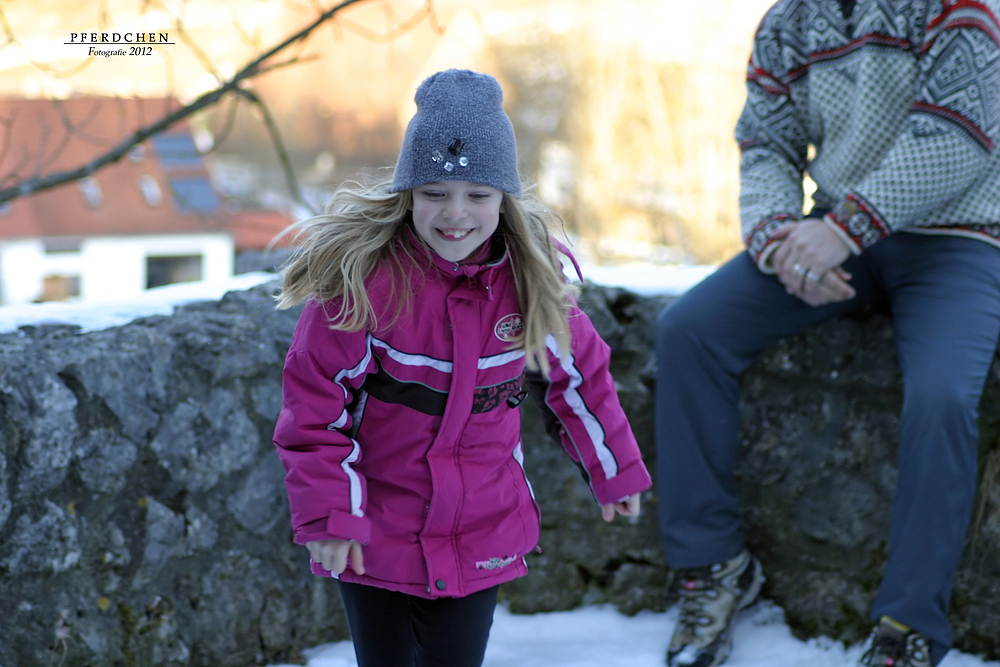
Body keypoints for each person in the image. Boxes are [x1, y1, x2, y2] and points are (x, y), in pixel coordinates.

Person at [654, 1, 1000, 666]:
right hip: (837, 238)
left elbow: (958, 137)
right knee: (688, 331)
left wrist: (842, 231)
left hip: (960, 239)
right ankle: (714, 566)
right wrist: (780, 242)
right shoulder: (788, 21)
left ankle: (909, 623)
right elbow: (765, 146)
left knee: (944, 395)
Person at [272, 69, 652, 667]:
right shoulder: (365, 289)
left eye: (478, 194)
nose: (456, 213)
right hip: (377, 530)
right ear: (408, 194)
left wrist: (615, 469)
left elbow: (578, 378)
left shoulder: (531, 287)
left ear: (504, 199)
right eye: (435, 193)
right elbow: (314, 412)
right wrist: (330, 516)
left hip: (483, 526)